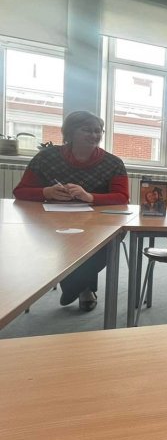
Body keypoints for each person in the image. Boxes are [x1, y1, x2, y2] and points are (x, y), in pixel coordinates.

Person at [14, 111, 129, 311]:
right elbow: (20, 191)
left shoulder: (113, 163)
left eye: (98, 131)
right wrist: (46, 192)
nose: (94, 135)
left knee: (108, 239)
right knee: (63, 239)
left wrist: (89, 197)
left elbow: (122, 197)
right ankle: (83, 288)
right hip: (52, 220)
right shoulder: (46, 158)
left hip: (97, 223)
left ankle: (75, 286)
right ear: (70, 132)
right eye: (87, 130)